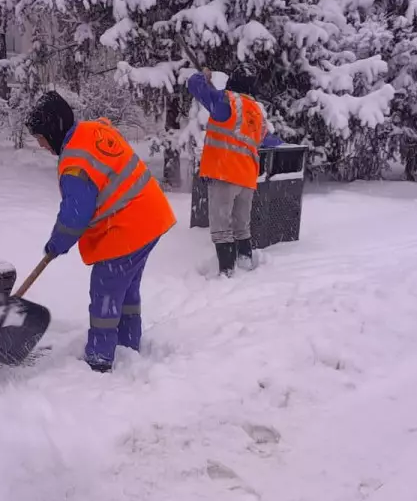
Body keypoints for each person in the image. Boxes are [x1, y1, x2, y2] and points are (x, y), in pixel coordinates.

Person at [26, 91, 176, 373]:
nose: (42, 145)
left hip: (126, 229)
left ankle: (99, 360)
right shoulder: (92, 129)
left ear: (53, 130)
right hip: (151, 217)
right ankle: (129, 347)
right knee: (126, 291)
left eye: (41, 138)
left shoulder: (74, 165)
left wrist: (56, 244)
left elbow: (75, 216)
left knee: (106, 293)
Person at [187, 68, 284, 277]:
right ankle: (245, 265)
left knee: (221, 228)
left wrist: (202, 75)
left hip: (225, 173)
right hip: (247, 178)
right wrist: (282, 143)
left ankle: (227, 274)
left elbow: (194, 86)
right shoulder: (256, 111)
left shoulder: (226, 101)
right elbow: (267, 140)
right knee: (242, 227)